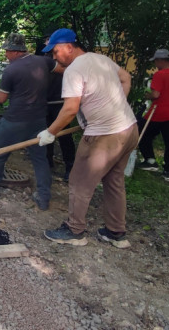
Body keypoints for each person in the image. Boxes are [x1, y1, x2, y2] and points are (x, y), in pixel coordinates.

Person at [38, 28, 138, 248]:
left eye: (55, 51)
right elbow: (126, 79)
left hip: (103, 135)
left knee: (79, 181)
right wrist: (114, 107)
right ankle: (116, 233)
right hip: (129, 129)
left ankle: (75, 231)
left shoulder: (74, 70)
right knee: (114, 181)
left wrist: (49, 132)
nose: (54, 57)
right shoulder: (101, 59)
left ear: (69, 47)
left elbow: (70, 110)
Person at [0, 32, 57, 211]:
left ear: (15, 51)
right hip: (38, 120)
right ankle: (44, 197)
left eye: (7, 51)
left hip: (15, 120)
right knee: (40, 159)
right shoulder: (44, 62)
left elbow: (1, 99)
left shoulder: (11, 70)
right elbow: (64, 70)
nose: (6, 54)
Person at [136, 49, 169, 182]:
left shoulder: (160, 75)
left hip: (158, 112)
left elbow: (155, 94)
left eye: (156, 61)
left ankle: (150, 160)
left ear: (161, 60)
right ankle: (168, 171)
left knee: (141, 131)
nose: (155, 64)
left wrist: (147, 95)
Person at [37, 36, 76, 181]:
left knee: (64, 136)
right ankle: (47, 163)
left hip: (60, 102)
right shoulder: (45, 57)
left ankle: (70, 167)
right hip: (46, 101)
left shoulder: (67, 60)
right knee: (46, 132)